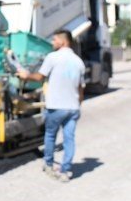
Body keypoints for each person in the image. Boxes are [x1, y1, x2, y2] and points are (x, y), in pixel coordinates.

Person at [17, 29, 85, 182]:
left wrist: (26, 75)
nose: (53, 43)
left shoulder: (53, 57)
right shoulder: (78, 62)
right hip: (73, 108)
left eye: (54, 40)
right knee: (69, 139)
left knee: (50, 136)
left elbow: (39, 77)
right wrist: (78, 105)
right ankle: (65, 171)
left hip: (56, 106)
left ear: (63, 41)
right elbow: (81, 89)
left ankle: (48, 164)